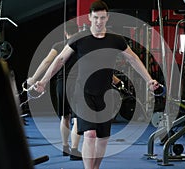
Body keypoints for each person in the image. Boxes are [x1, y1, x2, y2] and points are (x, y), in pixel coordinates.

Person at [34, 0, 160, 168]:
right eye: (96, 18)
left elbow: (133, 59)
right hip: (83, 93)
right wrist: (43, 81)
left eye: (102, 18)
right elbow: (60, 59)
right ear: (90, 18)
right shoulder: (80, 38)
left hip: (105, 94)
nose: (99, 22)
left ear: (107, 18)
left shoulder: (115, 40)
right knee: (90, 134)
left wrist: (148, 80)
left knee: (103, 138)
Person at [27, 21, 82, 161]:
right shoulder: (81, 44)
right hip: (77, 83)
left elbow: (47, 61)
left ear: (65, 32)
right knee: (77, 118)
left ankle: (65, 147)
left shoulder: (58, 45)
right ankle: (74, 150)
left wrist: (34, 78)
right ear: (79, 30)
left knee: (65, 116)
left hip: (61, 83)